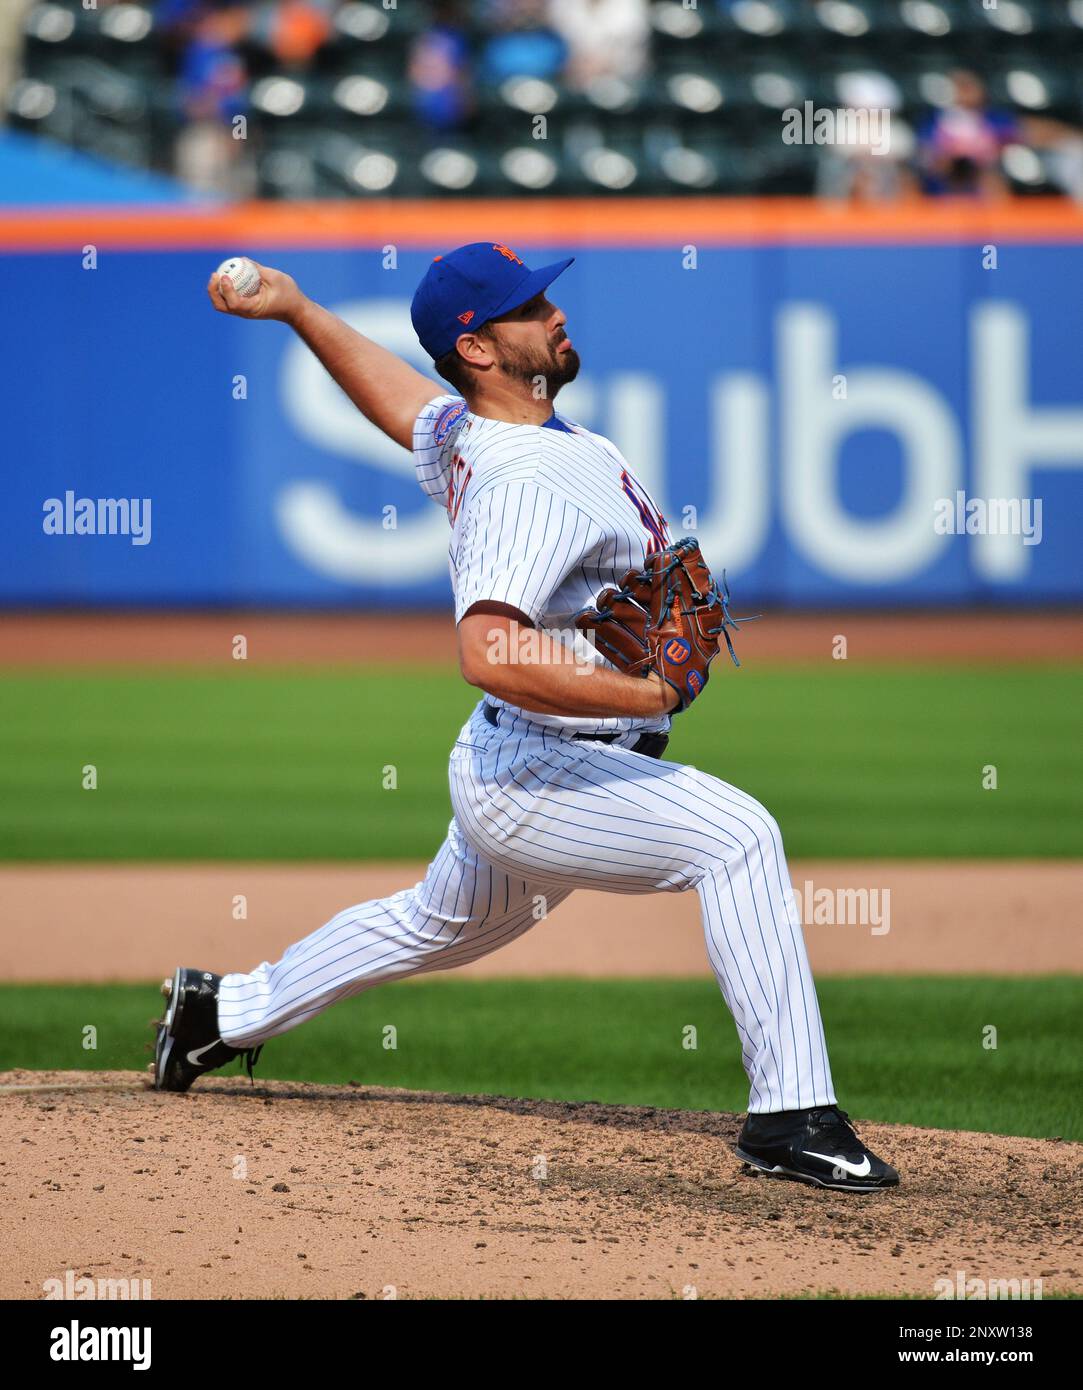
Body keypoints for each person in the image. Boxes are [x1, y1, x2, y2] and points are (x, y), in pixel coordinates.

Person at [152, 243, 899, 1194]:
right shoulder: (521, 481)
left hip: (526, 764)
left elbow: (401, 402)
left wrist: (301, 312)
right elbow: (489, 652)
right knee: (738, 838)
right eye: (527, 306)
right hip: (543, 777)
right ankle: (792, 1118)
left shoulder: (485, 434)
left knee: (432, 923)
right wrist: (646, 693)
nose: (552, 312)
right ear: (479, 347)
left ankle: (216, 1014)